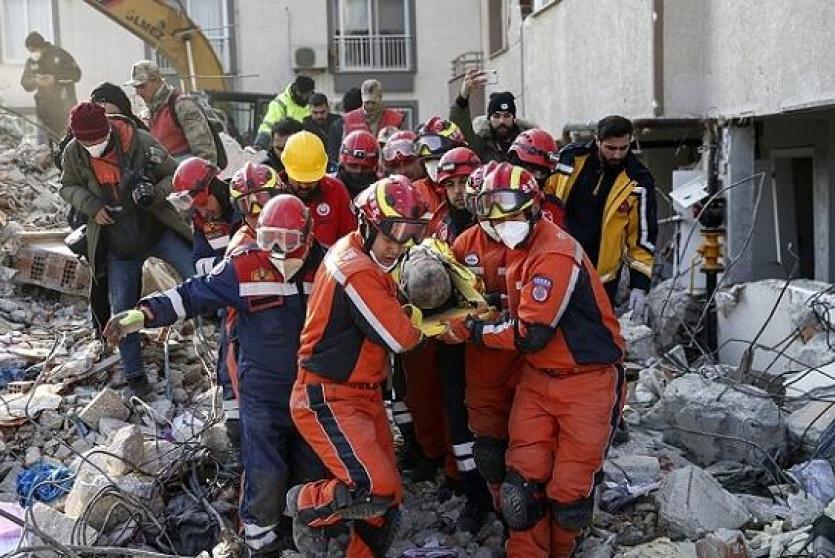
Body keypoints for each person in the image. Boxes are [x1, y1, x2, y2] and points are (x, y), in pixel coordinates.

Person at [105, 195, 327, 554]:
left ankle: (307, 532)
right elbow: (193, 294)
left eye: (286, 241)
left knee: (312, 467)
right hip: (262, 391)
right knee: (265, 472)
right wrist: (143, 314)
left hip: (311, 391)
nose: (276, 251)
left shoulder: (326, 266)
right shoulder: (244, 266)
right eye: (268, 239)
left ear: (308, 237)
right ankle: (260, 542)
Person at [441, 162, 625, 558]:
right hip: (538, 378)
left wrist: (473, 330)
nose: (502, 225)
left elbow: (530, 332)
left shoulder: (554, 251)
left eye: (509, 215)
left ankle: (562, 548)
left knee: (569, 496)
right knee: (520, 487)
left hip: (586, 381)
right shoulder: (517, 248)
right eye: (494, 218)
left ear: (534, 208)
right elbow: (513, 306)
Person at [285, 176, 428, 557]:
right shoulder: (356, 269)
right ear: (367, 224)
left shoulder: (355, 252)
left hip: (360, 392)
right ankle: (304, 505)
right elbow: (402, 338)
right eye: (390, 236)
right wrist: (442, 322)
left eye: (406, 237)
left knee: (387, 501)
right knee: (374, 488)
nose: (397, 247)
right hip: (329, 395)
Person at [59, 102, 194, 396]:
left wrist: (154, 192)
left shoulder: (139, 141)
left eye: (98, 139)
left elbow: (173, 173)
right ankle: (135, 375)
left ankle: (220, 338)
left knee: (197, 274)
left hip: (156, 228)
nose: (94, 146)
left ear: (108, 129)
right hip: (118, 243)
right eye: (87, 142)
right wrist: (92, 207)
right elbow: (67, 186)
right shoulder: (74, 153)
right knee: (121, 309)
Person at [547, 115, 658, 319]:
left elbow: (642, 237)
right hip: (556, 266)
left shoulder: (638, 180)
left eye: (623, 148)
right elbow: (544, 200)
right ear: (597, 141)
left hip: (602, 279)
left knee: (594, 334)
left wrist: (640, 286)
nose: (617, 154)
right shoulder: (569, 160)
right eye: (610, 148)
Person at [125, 60, 218, 164]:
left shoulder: (182, 106)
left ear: (156, 81)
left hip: (184, 170)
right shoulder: (147, 114)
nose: (138, 92)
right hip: (162, 170)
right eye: (136, 87)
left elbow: (205, 153)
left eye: (142, 86)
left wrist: (200, 173)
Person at [278, 131, 356, 247]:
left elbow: (351, 242)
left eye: (311, 180)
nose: (304, 186)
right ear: (286, 167)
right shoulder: (272, 193)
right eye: (298, 180)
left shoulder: (337, 191)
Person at [450, 69, 531, 162]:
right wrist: (463, 96)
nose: (502, 121)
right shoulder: (482, 145)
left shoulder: (528, 144)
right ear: (489, 118)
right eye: (496, 116)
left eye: (507, 116)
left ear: (514, 118)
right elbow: (460, 127)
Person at [20, 31, 81, 140]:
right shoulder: (32, 61)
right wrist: (36, 81)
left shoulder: (59, 55)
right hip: (44, 110)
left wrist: (55, 79)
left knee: (66, 139)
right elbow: (25, 82)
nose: (32, 53)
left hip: (64, 106)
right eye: (30, 51)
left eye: (33, 50)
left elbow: (76, 74)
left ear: (41, 46)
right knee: (44, 143)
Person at [507, 128, 566, 227]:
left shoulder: (553, 208)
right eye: (528, 170)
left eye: (540, 173)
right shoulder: (496, 202)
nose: (533, 179)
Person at [254, 75, 316, 149]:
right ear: (295, 89)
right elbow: (268, 125)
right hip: (285, 146)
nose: (304, 98)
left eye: (307, 95)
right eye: (301, 94)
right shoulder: (280, 103)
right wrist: (261, 143)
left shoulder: (314, 103)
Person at [335, 130, 380, 198]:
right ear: (343, 164)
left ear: (374, 167)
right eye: (353, 166)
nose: (359, 171)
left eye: (365, 167)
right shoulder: (328, 188)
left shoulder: (381, 191)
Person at [302, 93, 343, 168]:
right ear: (309, 110)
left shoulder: (338, 123)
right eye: (315, 113)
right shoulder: (305, 127)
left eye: (322, 112)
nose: (319, 116)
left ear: (328, 108)